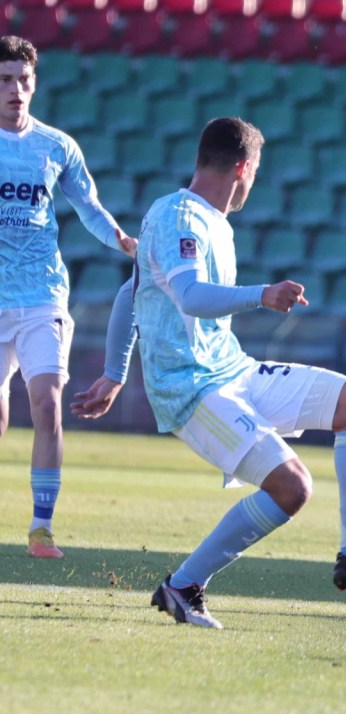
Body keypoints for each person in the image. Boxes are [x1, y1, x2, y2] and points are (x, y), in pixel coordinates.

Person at [70, 117, 346, 629]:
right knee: (292, 487)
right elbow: (190, 297)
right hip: (191, 390)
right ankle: (183, 586)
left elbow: (133, 291)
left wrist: (113, 371)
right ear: (243, 167)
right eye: (256, 172)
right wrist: (261, 295)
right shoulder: (179, 218)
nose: (254, 182)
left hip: (235, 369)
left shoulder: (213, 220)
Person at [0, 35, 135, 560]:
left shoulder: (56, 146)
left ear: (35, 83)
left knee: (47, 401)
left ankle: (40, 528)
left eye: (24, 80)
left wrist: (121, 239)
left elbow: (89, 207)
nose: (16, 91)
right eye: (6, 80)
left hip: (41, 295)